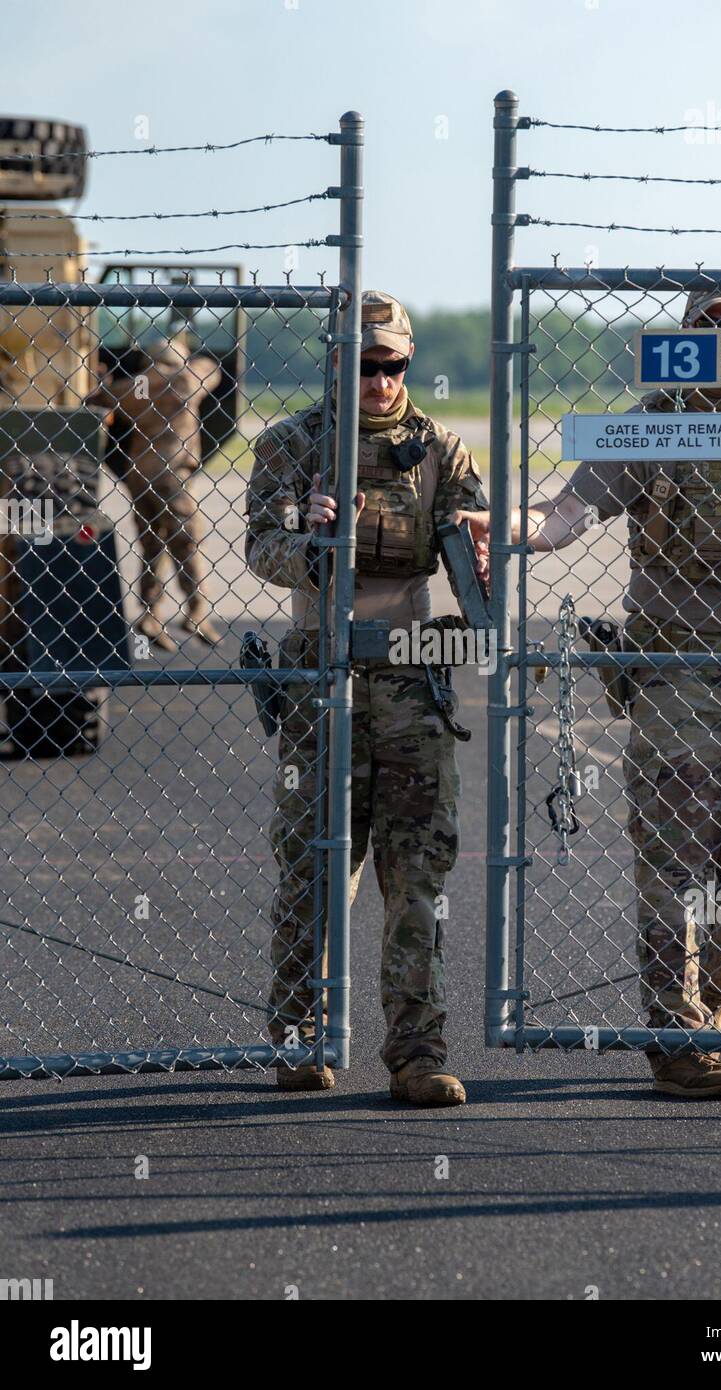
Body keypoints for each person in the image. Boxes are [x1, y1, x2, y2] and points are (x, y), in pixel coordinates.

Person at [461, 287, 721, 1099]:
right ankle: (675, 1034)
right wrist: (501, 527)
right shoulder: (653, 423)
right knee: (673, 852)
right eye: (705, 326)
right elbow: (564, 515)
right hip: (674, 670)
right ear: (682, 338)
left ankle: (713, 1001)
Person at [245, 290, 489, 1104]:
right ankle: (300, 1037)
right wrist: (313, 538)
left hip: (412, 670)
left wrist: (484, 566)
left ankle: (417, 1053)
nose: (382, 380)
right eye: (365, 363)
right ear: (337, 363)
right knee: (314, 862)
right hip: (322, 671)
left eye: (394, 364)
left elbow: (474, 548)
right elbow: (261, 546)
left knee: (417, 872)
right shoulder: (295, 444)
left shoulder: (441, 449)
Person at [88, 333, 222, 651]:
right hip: (172, 472)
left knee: (152, 542)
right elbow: (213, 369)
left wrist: (107, 381)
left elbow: (100, 397)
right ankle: (197, 609)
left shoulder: (137, 386)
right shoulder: (188, 377)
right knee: (187, 537)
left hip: (138, 472)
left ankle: (150, 614)